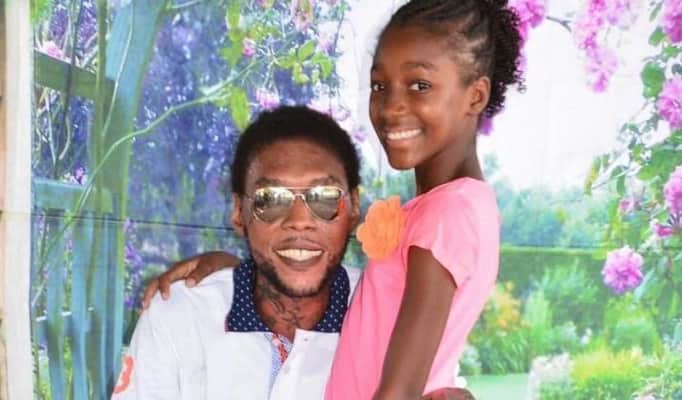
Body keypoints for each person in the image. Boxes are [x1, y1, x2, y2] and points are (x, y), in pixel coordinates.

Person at [146, 0, 524, 398]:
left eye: (420, 85)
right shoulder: (453, 208)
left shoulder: (448, 213)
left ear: (476, 96)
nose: (391, 106)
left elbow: (398, 392)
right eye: (380, 86)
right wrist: (236, 276)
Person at [116, 105, 472, 400]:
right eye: (271, 199)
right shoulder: (179, 317)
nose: (300, 221)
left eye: (325, 198)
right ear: (239, 213)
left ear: (352, 209)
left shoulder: (396, 316)